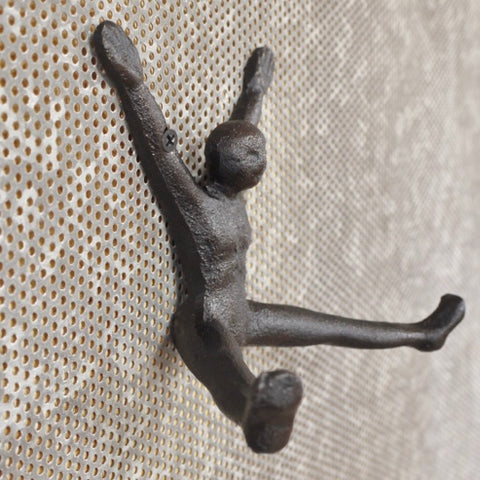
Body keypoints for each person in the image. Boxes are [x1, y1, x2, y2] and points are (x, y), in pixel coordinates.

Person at [92, 21, 466, 453]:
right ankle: (257, 412)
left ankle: (422, 334)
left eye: (260, 154)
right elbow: (159, 150)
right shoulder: (194, 202)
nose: (260, 159)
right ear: (224, 164)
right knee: (225, 367)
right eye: (252, 155)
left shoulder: (234, 198)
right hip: (205, 318)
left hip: (244, 313)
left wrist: (255, 90)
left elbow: (245, 126)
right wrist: (132, 80)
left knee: (331, 327)